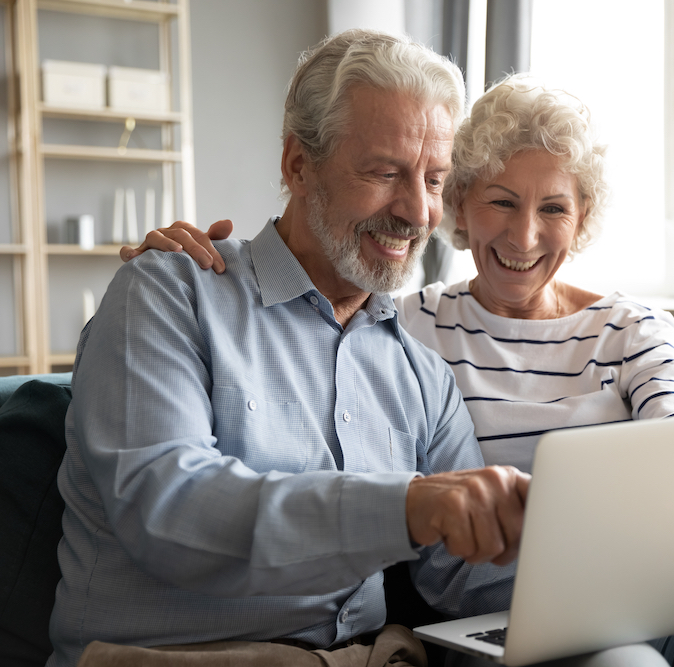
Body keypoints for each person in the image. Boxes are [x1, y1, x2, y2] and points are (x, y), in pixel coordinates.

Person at [129, 74, 674, 667]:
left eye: (553, 208)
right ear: (462, 207)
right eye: (501, 201)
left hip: (669, 590)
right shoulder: (404, 326)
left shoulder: (632, 328)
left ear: (582, 214)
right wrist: (194, 267)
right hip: (522, 615)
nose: (524, 235)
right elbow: (316, 294)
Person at [49, 30, 535, 667]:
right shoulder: (169, 292)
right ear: (298, 165)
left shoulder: (420, 373)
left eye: (435, 180)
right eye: (385, 172)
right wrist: (407, 506)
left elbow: (468, 578)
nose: (417, 211)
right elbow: (169, 512)